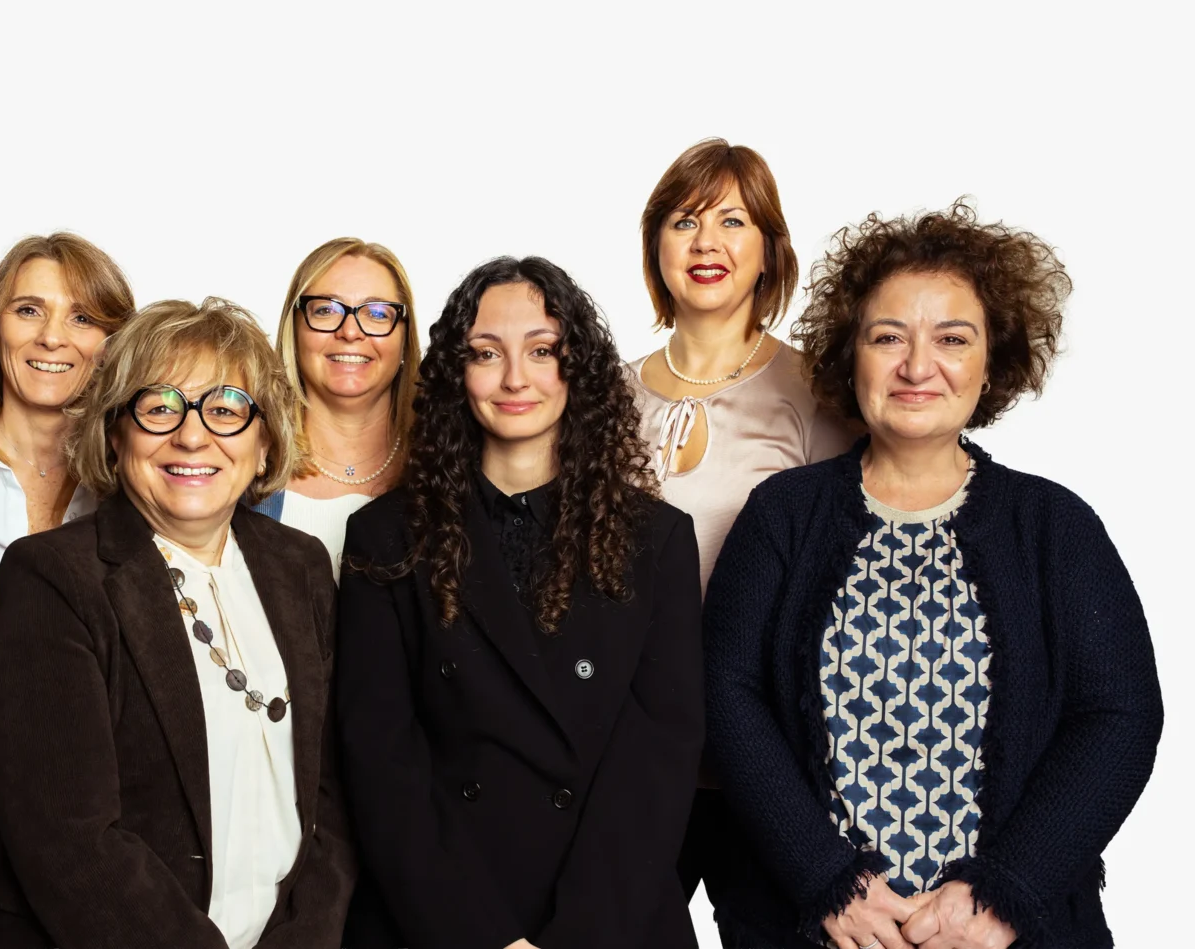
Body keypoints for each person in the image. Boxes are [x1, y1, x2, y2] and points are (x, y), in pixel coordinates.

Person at [706, 203, 1162, 949]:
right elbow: (727, 694)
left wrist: (1006, 893)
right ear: (850, 354)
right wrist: (827, 881)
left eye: (952, 338)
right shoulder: (781, 516)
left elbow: (1120, 715)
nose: (918, 367)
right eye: (888, 337)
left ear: (992, 360)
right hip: (816, 929)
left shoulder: (1054, 526)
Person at [338, 256, 703, 949]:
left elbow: (658, 761)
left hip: (610, 918)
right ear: (455, 373)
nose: (514, 379)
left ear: (578, 368)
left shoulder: (656, 539)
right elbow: (382, 761)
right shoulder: (386, 537)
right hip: (437, 917)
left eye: (542, 350)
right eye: (485, 353)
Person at [0, 297, 354, 949]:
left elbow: (332, 804)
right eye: (159, 408)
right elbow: (70, 842)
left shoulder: (301, 566)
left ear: (264, 440)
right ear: (115, 433)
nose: (192, 436)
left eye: (226, 409)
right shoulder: (53, 579)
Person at [624, 138, 853, 923]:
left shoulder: (818, 393)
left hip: (772, 765)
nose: (706, 242)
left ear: (768, 250)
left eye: (732, 221)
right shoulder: (607, 394)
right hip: (635, 762)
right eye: (684, 221)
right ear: (656, 244)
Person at [0, 232, 133, 635]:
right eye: (29, 311)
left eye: (82, 318)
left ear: (112, 346)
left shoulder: (138, 478)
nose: (51, 337)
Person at [256, 238, 422, 581]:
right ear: (294, 329)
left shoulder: (445, 469)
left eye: (377, 313)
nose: (350, 331)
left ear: (405, 338)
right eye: (325, 310)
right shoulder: (244, 469)